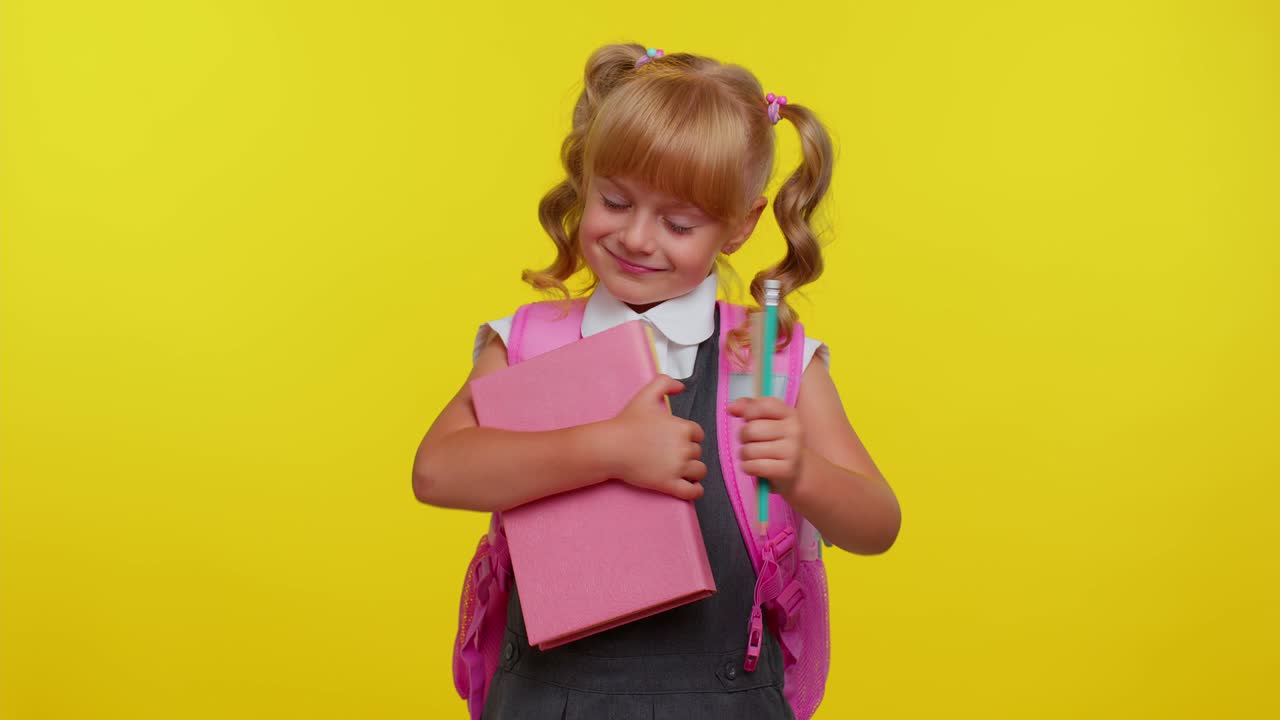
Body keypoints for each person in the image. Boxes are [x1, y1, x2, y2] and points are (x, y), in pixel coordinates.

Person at [413, 42, 901, 719]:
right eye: (614, 201)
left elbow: (879, 526)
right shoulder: (526, 343)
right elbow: (436, 473)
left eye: (678, 222)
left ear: (739, 226)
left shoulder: (772, 360)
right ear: (585, 182)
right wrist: (610, 449)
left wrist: (802, 472)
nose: (638, 238)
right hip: (545, 701)